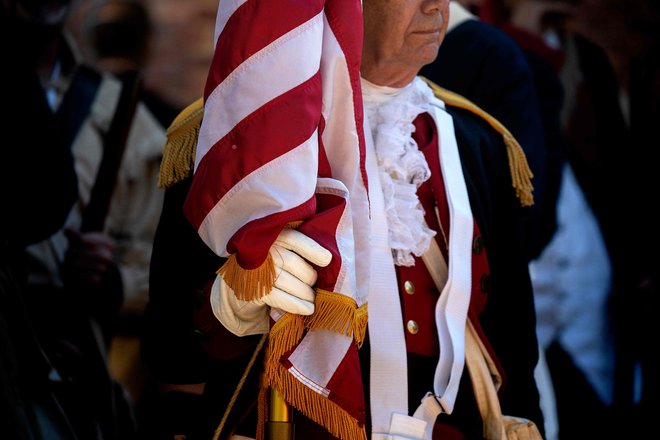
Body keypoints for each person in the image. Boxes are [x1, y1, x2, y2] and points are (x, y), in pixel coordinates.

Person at [142, 0, 544, 439]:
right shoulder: (243, 139)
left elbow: (514, 349)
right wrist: (229, 304)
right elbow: (172, 351)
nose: (435, 7)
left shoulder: (479, 143)